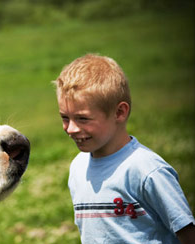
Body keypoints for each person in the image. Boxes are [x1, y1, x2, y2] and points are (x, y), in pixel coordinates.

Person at [53, 54, 195, 243]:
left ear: (119, 112)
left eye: (83, 118)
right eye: (65, 117)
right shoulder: (78, 167)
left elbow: (187, 232)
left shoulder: (146, 170)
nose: (71, 128)